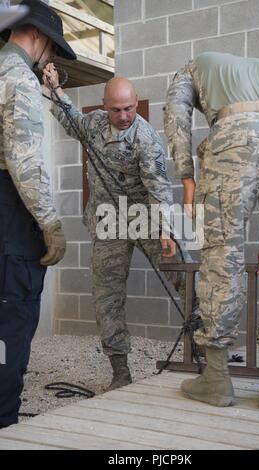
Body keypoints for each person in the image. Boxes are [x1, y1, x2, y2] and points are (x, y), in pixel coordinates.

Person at [43, 68, 199, 391]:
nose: (125, 115)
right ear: (105, 106)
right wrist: (56, 89)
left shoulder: (146, 138)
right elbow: (70, 117)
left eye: (129, 108)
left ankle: (205, 348)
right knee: (107, 296)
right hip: (106, 222)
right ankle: (120, 372)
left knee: (183, 273)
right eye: (116, 109)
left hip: (145, 215)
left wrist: (166, 231)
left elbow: (159, 189)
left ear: (136, 104)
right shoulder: (95, 124)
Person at [164, 52, 259, 410]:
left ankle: (218, 379)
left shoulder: (190, 68)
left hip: (235, 136)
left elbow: (176, 116)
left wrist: (187, 178)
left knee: (222, 254)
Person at [0, 0, 76, 428]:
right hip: (10, 217)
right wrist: (50, 223)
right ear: (39, 36)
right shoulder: (17, 78)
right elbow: (24, 161)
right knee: (10, 321)